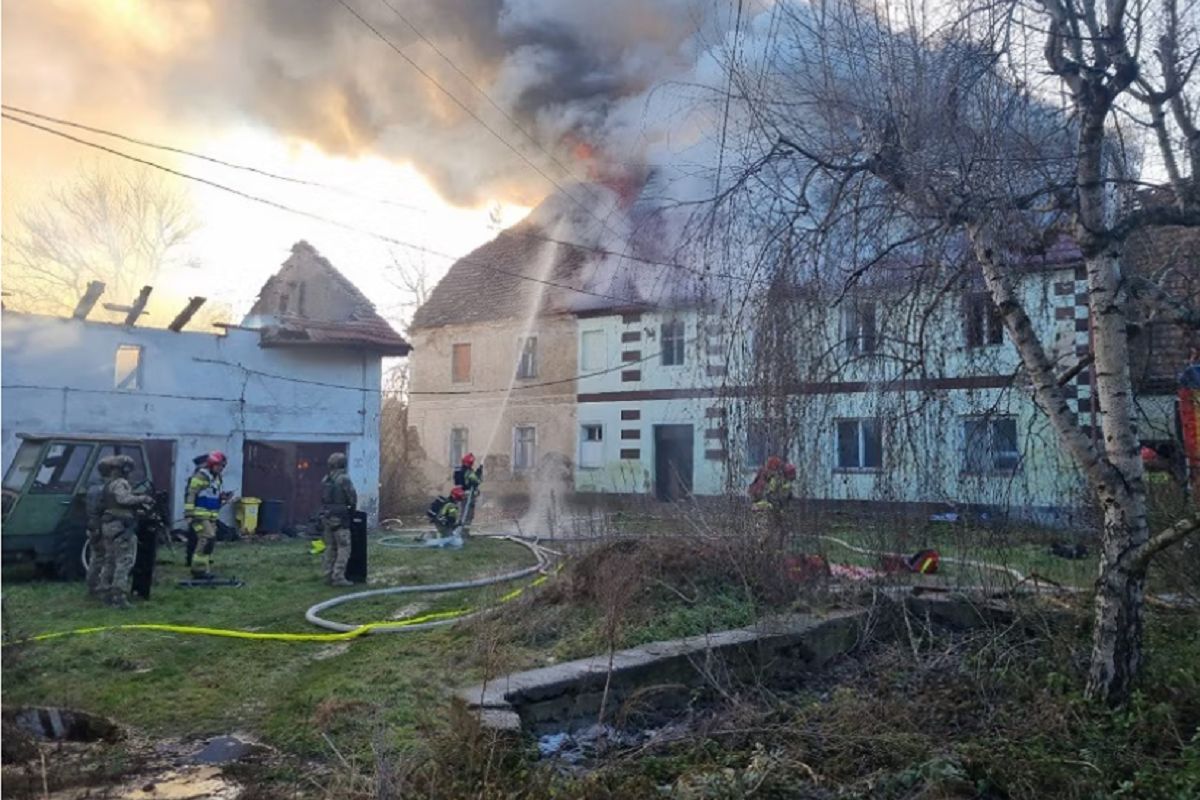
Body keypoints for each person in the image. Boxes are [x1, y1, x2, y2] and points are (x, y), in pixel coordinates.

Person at [99, 455, 153, 608]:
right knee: (125, 561)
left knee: (110, 560)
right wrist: (143, 499)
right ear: (126, 469)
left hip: (108, 525)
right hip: (121, 527)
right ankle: (118, 596)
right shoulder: (121, 483)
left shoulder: (107, 484)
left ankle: (105, 591)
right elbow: (123, 500)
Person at [184, 451, 231, 579]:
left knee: (209, 542)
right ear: (211, 464)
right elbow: (191, 494)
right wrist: (189, 513)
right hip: (200, 516)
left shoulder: (216, 478)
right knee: (207, 537)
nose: (221, 468)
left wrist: (222, 497)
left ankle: (202, 569)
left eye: (222, 466)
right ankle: (197, 569)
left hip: (211, 516)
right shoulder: (201, 476)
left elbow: (211, 494)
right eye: (219, 465)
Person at [319, 452, 357, 587]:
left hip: (327, 516)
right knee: (344, 547)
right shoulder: (344, 479)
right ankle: (338, 577)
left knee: (330, 546)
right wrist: (352, 512)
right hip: (340, 517)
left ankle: (327, 574)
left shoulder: (326, 479)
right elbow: (352, 498)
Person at [84, 458, 115, 599]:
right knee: (108, 558)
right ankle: (104, 589)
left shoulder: (92, 487)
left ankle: (91, 587)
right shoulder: (106, 489)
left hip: (92, 525)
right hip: (102, 526)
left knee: (95, 558)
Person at [452, 453, 484, 527]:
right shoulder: (468, 471)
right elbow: (476, 481)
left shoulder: (460, 470)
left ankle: (459, 528)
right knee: (468, 514)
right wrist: (479, 472)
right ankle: (464, 532)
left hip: (460, 495)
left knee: (462, 513)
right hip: (468, 496)